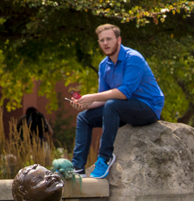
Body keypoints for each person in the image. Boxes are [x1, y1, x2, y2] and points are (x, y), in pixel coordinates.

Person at [70, 24, 165, 178]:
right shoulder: (103, 65)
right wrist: (84, 103)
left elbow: (125, 93)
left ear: (119, 40)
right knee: (84, 117)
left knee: (112, 105)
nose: (105, 43)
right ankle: (77, 168)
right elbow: (104, 97)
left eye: (109, 39)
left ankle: (105, 158)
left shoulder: (133, 58)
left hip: (148, 108)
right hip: (120, 108)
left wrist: (93, 97)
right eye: (102, 40)